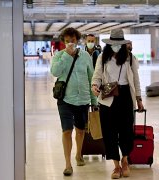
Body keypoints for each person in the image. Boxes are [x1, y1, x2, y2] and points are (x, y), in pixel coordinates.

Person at [91, 28, 144, 179]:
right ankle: (116, 166)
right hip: (108, 97)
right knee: (109, 132)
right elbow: (97, 75)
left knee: (126, 130)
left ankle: (125, 160)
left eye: (119, 44)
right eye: (113, 43)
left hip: (126, 96)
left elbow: (136, 79)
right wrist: (94, 85)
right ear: (109, 44)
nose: (116, 46)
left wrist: (139, 98)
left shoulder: (129, 57)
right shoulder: (102, 57)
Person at [51, 27, 97, 176]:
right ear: (63, 42)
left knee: (80, 130)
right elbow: (55, 72)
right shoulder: (59, 56)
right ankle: (68, 164)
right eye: (67, 41)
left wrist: (94, 100)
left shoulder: (85, 56)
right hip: (65, 99)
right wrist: (66, 55)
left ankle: (78, 154)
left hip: (83, 99)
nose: (70, 43)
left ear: (77, 40)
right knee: (66, 130)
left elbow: (91, 78)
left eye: (73, 40)